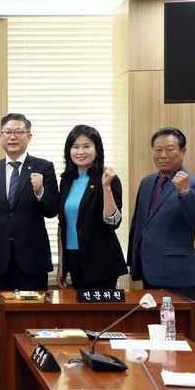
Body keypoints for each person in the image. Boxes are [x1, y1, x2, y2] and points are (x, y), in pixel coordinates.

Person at [0, 113, 58, 291]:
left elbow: (52, 210)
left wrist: (40, 191)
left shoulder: (44, 167)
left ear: (29, 136)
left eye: (19, 132)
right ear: (0, 136)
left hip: (33, 259)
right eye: (8, 132)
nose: (12, 137)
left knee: (32, 308)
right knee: (1, 307)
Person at [127, 127, 195, 302]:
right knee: (153, 319)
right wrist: (133, 260)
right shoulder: (147, 182)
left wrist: (185, 192)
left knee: (181, 320)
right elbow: (139, 225)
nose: (163, 155)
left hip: (178, 275)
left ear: (183, 152)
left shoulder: (194, 184)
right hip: (149, 272)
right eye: (158, 150)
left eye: (169, 149)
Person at [56, 125, 127, 291]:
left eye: (86, 146)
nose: (80, 152)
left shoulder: (108, 178)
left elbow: (113, 222)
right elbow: (63, 224)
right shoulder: (66, 181)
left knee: (100, 308)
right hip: (73, 257)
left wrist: (106, 188)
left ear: (97, 150)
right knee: (79, 307)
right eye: (75, 147)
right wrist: (62, 265)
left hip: (100, 260)